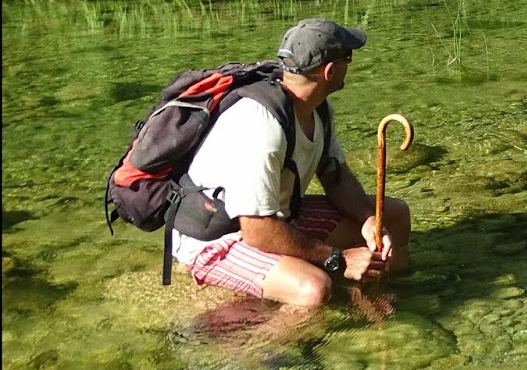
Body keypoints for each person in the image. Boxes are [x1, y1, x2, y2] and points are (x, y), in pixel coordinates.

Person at [171, 17, 412, 307]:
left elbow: (336, 177)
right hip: (221, 235)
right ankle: (260, 345)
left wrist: (367, 219)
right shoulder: (261, 125)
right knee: (314, 289)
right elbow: (257, 230)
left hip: (278, 215)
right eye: (348, 57)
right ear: (330, 70)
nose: (351, 64)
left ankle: (377, 297)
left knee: (394, 215)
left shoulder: (318, 108)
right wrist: (340, 259)